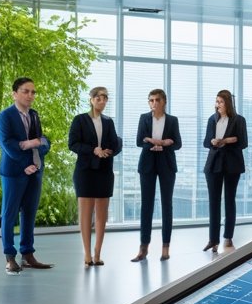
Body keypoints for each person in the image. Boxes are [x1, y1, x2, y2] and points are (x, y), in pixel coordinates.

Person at [0, 77, 53, 274]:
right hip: (14, 172)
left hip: (35, 171)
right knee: (9, 214)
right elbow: (8, 144)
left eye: (33, 92)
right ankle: (10, 257)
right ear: (15, 93)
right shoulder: (5, 116)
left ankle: (27, 255)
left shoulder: (34, 115)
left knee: (29, 213)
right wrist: (25, 163)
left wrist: (35, 148)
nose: (30, 95)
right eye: (26, 91)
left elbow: (44, 142)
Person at [68, 86, 122, 267]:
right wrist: (93, 150)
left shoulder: (109, 122)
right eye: (99, 98)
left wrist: (109, 151)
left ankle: (97, 254)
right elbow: (73, 144)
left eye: (105, 98)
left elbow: (116, 142)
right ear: (91, 99)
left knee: (102, 214)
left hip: (105, 170)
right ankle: (87, 254)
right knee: (85, 214)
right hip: (85, 171)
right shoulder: (80, 120)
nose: (103, 101)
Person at [133, 88, 181, 262]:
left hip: (167, 165)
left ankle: (165, 247)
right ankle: (143, 248)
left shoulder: (172, 120)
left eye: (157, 100)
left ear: (164, 102)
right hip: (147, 165)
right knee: (146, 206)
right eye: (151, 100)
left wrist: (166, 143)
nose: (154, 103)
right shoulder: (144, 118)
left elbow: (178, 143)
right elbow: (139, 140)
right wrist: (152, 142)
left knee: (167, 205)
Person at [202, 89, 248, 252]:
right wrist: (214, 141)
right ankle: (213, 240)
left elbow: (243, 143)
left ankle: (228, 238)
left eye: (220, 102)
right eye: (216, 101)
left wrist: (227, 140)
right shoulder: (212, 119)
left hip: (232, 164)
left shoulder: (239, 120)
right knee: (213, 202)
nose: (217, 105)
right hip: (213, 164)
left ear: (228, 103)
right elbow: (206, 142)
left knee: (229, 201)